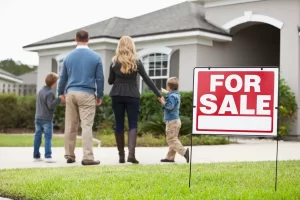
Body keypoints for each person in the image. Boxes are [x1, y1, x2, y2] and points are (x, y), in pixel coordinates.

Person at [108, 36, 163, 164]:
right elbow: (147, 79)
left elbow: (110, 81)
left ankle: (121, 156)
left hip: (116, 94)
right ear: (132, 46)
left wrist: (117, 75)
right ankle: (131, 155)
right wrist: (158, 94)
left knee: (119, 124)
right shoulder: (136, 62)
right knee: (133, 124)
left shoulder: (114, 62)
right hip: (132, 95)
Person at [57, 29, 104, 166]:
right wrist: (99, 95)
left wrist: (61, 92)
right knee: (86, 125)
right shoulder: (96, 57)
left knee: (70, 125)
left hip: (71, 93)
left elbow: (63, 77)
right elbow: (100, 79)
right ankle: (88, 157)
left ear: (75, 39)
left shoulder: (68, 57)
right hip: (87, 93)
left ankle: (70, 155)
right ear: (88, 39)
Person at [158, 77, 189, 163]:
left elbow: (170, 106)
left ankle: (184, 152)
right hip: (176, 120)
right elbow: (171, 96)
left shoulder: (171, 96)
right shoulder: (176, 94)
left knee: (171, 139)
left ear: (169, 87)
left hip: (172, 121)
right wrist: (165, 92)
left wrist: (162, 101)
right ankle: (170, 157)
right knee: (173, 138)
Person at [33, 72, 62, 163]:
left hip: (38, 118)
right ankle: (48, 156)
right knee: (48, 137)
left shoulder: (40, 91)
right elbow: (50, 105)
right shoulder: (50, 93)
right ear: (54, 83)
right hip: (46, 119)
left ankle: (36, 155)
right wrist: (59, 99)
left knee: (37, 137)